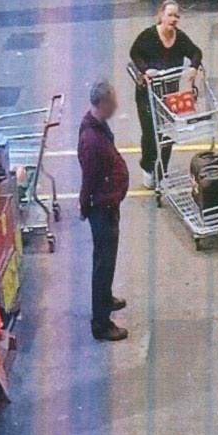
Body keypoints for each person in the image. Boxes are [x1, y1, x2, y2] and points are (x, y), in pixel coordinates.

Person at [129, 0, 203, 189]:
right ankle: (148, 167)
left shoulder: (180, 38)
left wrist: (193, 68)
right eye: (170, 15)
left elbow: (196, 52)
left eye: (176, 16)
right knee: (150, 134)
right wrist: (145, 70)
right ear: (161, 16)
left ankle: (162, 171)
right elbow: (134, 53)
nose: (173, 19)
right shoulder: (148, 36)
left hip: (168, 94)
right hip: (148, 94)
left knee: (168, 134)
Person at [77, 80, 129, 342]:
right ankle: (101, 324)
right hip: (102, 210)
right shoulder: (91, 139)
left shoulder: (98, 128)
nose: (117, 106)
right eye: (113, 101)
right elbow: (89, 179)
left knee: (107, 262)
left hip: (108, 205)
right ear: (103, 103)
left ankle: (105, 299)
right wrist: (85, 206)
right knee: (104, 265)